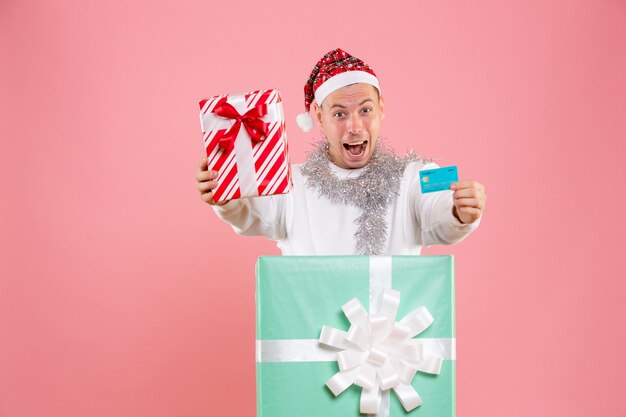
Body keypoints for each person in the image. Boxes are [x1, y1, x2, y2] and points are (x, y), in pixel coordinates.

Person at [196, 48, 486, 255]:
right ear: (319, 118)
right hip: (310, 335)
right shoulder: (289, 184)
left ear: (381, 109)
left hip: (387, 338)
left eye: (365, 110)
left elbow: (439, 215)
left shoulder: (413, 177)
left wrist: (460, 211)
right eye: (339, 114)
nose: (355, 127)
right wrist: (226, 194)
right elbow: (251, 215)